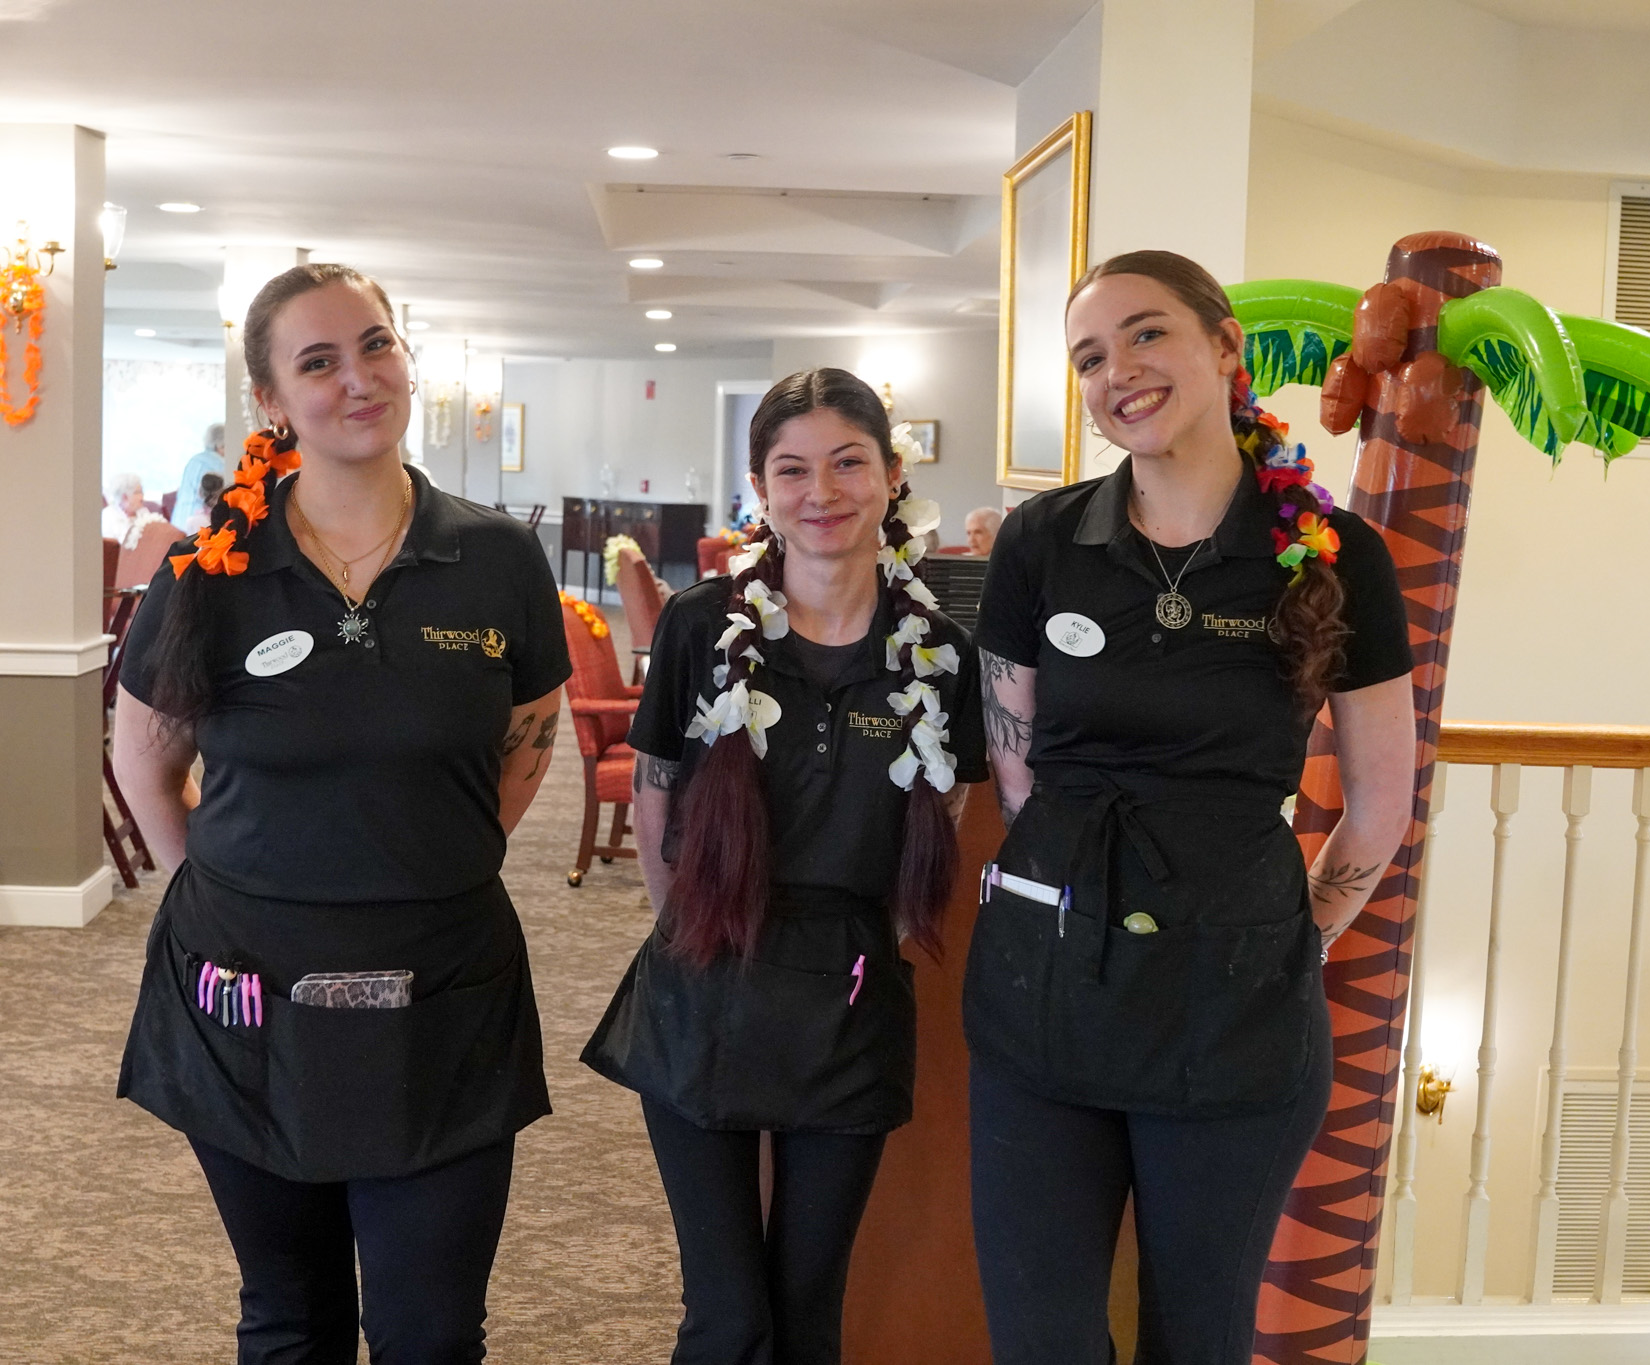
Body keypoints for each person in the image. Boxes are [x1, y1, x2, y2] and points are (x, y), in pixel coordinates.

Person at [112, 262, 570, 1365]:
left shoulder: (496, 559)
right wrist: (220, 884)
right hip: (245, 993)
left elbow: (526, 739)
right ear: (270, 401)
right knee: (288, 1315)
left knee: (431, 1328)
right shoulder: (210, 572)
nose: (356, 378)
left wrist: (428, 855)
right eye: (317, 361)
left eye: (375, 345)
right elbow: (143, 757)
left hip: (445, 987)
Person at [965, 251, 1417, 1365]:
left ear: (1224, 349)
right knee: (1039, 1339)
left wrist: (1286, 935)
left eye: (1144, 334)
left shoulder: (1334, 556)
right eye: (1087, 356)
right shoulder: (1040, 541)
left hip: (1232, 1010)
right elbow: (1015, 767)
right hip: (1046, 988)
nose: (1115, 369)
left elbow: (1376, 804)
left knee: (1198, 1339)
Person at [583, 367, 987, 1364]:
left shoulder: (934, 652)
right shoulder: (695, 626)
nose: (822, 491)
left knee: (807, 1312)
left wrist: (856, 946)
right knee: (726, 1316)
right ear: (761, 489)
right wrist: (697, 937)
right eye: (792, 469)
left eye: (848, 462)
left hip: (846, 1003)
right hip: (705, 986)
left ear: (891, 475)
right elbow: (656, 800)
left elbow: (946, 809)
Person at [101, 471, 167, 548]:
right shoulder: (108, 516)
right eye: (138, 492)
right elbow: (111, 548)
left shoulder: (143, 512)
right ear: (125, 497)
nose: (142, 497)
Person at [175, 421, 226, 519]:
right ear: (220, 446)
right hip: (201, 520)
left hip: (179, 517)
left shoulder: (193, 460)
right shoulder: (220, 464)